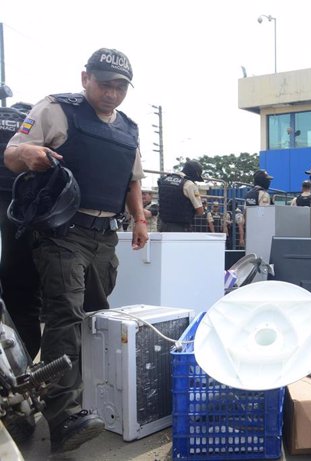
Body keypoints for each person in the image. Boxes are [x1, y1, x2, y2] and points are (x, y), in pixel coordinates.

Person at [4, 48, 148, 452]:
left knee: (94, 317)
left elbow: (132, 181)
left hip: (104, 235)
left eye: (120, 87)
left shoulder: (129, 129)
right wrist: (27, 153)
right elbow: (12, 153)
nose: (112, 94)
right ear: (85, 78)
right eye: (105, 84)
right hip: (62, 231)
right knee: (65, 314)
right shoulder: (56, 109)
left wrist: (139, 220)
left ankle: (81, 398)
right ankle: (63, 414)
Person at [0, 102, 42, 360]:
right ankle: (22, 371)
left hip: (17, 213)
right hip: (21, 215)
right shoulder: (34, 127)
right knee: (24, 297)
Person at [157, 159, 205, 232]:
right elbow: (200, 211)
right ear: (195, 174)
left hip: (162, 225)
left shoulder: (164, 180)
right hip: (180, 227)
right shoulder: (189, 184)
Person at [242, 169, 273, 246]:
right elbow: (264, 214)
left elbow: (245, 214)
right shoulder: (264, 194)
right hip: (261, 231)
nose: (269, 182)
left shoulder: (248, 194)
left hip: (250, 230)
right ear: (263, 180)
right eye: (267, 179)